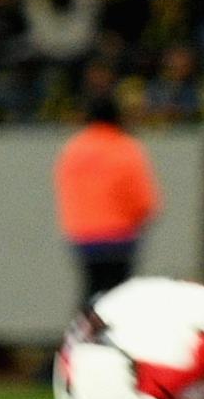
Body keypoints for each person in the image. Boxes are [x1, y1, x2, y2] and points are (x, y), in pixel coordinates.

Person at [55, 93, 159, 306]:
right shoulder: (125, 147)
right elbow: (145, 200)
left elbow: (65, 190)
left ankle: (83, 335)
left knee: (90, 290)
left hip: (83, 237)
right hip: (120, 238)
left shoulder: (73, 149)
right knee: (119, 298)